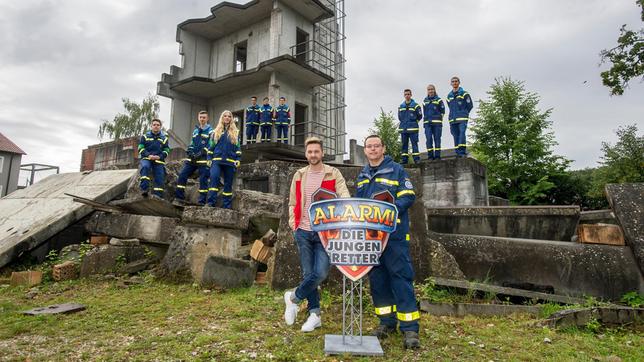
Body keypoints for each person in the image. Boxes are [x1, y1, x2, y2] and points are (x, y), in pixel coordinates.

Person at [355, 134, 420, 349]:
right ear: (365, 151)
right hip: (372, 239)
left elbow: (408, 195)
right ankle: (386, 322)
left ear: (383, 148)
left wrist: (389, 211)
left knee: (400, 278)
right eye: (369, 146)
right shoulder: (362, 175)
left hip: (394, 236)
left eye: (376, 146)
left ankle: (410, 328)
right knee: (378, 281)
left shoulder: (397, 170)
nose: (373, 149)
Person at [283, 137, 350, 332]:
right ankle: (315, 314)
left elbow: (344, 195)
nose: (313, 155)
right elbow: (293, 202)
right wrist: (293, 224)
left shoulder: (333, 173)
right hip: (303, 230)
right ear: (306, 154)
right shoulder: (299, 174)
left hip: (325, 233)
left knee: (320, 273)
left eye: (316, 151)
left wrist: (346, 210)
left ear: (322, 153)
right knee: (307, 273)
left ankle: (293, 298)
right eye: (310, 152)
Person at [174, 111, 213, 206]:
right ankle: (179, 198)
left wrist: (202, 152)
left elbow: (211, 144)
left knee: (203, 179)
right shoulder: (195, 131)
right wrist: (190, 152)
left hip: (203, 159)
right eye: (201, 117)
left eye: (204, 117)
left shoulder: (211, 131)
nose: (202, 119)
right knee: (182, 175)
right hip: (192, 160)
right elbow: (192, 143)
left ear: (207, 119)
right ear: (198, 118)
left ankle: (202, 202)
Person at [206, 110, 241, 209]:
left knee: (228, 184)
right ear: (222, 118)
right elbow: (210, 147)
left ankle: (227, 206)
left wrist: (238, 158)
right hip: (216, 160)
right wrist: (209, 158)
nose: (227, 118)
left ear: (231, 119)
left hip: (230, 162)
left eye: (229, 116)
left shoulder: (236, 133)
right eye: (225, 116)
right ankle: (210, 203)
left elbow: (238, 148)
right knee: (214, 179)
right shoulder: (215, 132)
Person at [138, 118, 170, 199]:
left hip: (159, 160)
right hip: (146, 158)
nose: (156, 126)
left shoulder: (164, 138)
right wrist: (148, 155)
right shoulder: (145, 136)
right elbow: (140, 148)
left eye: (158, 125)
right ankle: (144, 190)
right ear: (151, 126)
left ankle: (157, 196)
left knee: (160, 175)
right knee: (145, 167)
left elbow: (166, 150)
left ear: (160, 127)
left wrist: (160, 156)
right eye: (154, 125)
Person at [446, 76, 473, 157]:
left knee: (462, 133)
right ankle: (458, 152)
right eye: (453, 81)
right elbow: (449, 106)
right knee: (455, 135)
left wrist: (464, 113)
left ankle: (462, 152)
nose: (454, 83)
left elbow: (470, 105)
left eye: (456, 81)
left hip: (462, 118)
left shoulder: (464, 94)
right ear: (451, 83)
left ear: (459, 82)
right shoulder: (449, 96)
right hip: (453, 119)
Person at [398, 89, 423, 164]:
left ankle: (416, 159)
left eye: (408, 94)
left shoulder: (416, 105)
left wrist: (414, 123)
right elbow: (400, 117)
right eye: (405, 94)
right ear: (404, 95)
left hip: (413, 129)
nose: (407, 96)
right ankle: (404, 160)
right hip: (404, 129)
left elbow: (420, 116)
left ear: (411, 95)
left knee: (414, 144)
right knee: (404, 145)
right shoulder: (401, 106)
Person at [422, 84, 446, 160]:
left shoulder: (439, 100)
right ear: (427, 91)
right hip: (427, 124)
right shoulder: (424, 101)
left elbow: (443, 111)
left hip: (437, 124)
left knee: (437, 139)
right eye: (429, 89)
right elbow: (424, 112)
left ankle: (437, 156)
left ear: (434, 90)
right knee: (428, 139)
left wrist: (439, 119)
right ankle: (430, 156)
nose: (430, 91)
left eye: (432, 89)